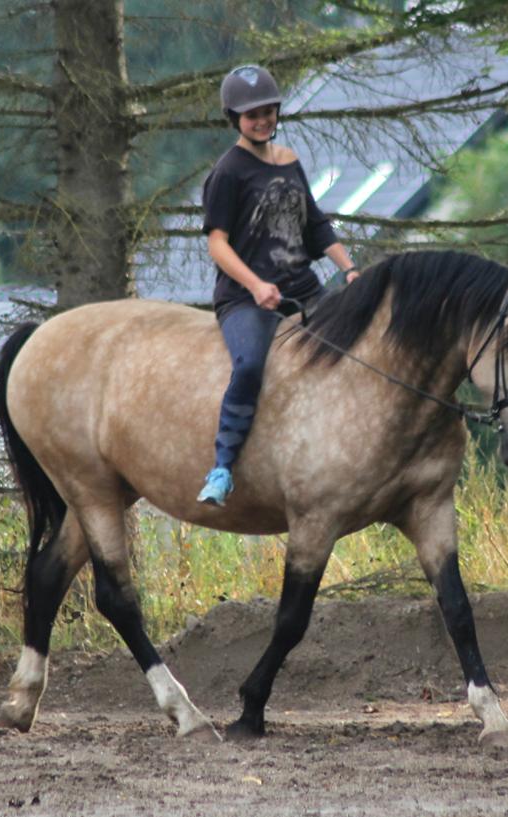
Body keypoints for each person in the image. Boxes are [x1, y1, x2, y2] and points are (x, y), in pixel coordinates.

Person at [196, 64, 359, 507]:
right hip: (246, 298)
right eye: (252, 116)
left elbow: (316, 225)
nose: (262, 121)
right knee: (249, 366)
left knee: (353, 350)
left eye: (268, 112)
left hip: (303, 287)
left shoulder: (289, 161)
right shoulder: (227, 172)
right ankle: (223, 467)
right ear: (235, 119)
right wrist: (254, 285)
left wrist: (348, 268)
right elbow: (217, 244)